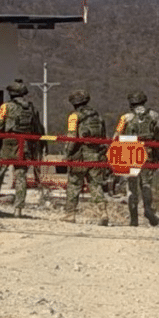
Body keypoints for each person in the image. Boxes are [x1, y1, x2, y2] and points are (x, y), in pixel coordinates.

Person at [0, 78, 42, 217]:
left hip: (8, 142)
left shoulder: (6, 107)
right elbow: (37, 129)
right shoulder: (31, 108)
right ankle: (18, 208)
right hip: (25, 143)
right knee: (21, 176)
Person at [114, 90, 159, 227]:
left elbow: (117, 136)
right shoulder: (154, 116)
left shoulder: (125, 118)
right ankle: (148, 209)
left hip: (130, 153)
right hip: (148, 153)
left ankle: (133, 219)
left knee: (132, 187)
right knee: (146, 184)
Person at [62, 89, 109, 226]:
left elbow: (71, 138)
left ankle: (70, 214)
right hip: (95, 155)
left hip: (80, 156)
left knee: (74, 184)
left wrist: (67, 154)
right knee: (95, 185)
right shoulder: (98, 117)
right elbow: (103, 138)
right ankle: (103, 212)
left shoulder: (74, 117)